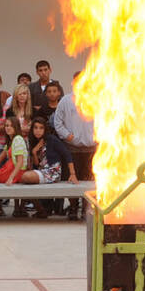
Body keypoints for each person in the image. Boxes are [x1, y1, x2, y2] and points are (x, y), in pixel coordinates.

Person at [51, 73, 97, 220]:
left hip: (92, 148)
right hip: (73, 148)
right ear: (73, 82)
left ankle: (85, 208)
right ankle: (72, 207)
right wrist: (67, 135)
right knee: (73, 180)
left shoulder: (97, 99)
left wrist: (99, 136)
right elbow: (57, 122)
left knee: (88, 180)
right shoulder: (66, 101)